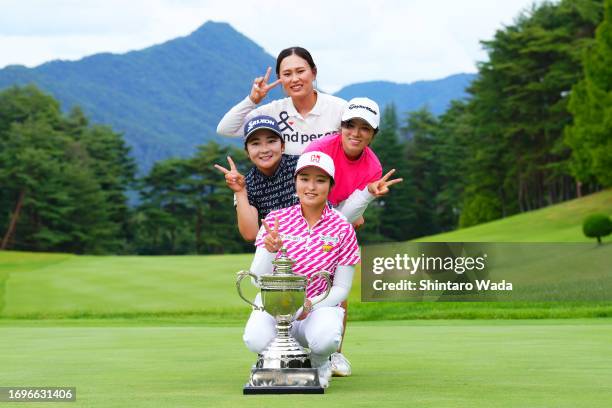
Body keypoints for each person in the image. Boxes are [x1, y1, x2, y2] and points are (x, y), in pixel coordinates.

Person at [242, 151, 359, 388]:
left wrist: (309, 304)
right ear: (295, 182)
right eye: (304, 178)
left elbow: (342, 288)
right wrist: (269, 250)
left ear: (330, 185)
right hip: (277, 308)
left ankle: (318, 362)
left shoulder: (343, 228)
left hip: (318, 308)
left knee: (326, 339)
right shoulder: (275, 220)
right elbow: (257, 281)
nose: (311, 186)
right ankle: (278, 360)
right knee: (255, 339)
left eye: (320, 180)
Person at [217, 46, 346, 155]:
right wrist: (252, 100)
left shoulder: (339, 108)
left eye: (300, 71)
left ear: (313, 73)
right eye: (287, 74)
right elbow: (226, 129)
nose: (294, 79)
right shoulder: (272, 112)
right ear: (280, 78)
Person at [304, 97, 402, 213]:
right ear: (341, 127)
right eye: (350, 126)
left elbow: (349, 211)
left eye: (365, 128)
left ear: (374, 134)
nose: (356, 134)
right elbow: (303, 193)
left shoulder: (373, 169)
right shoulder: (318, 150)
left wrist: (369, 192)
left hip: (337, 214)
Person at [214, 115, 299, 241]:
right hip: (274, 248)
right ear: (247, 152)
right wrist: (240, 192)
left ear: (282, 146)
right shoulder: (246, 183)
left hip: (313, 243)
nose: (264, 150)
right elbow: (251, 235)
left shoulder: (301, 166)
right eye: (255, 144)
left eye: (271, 141)